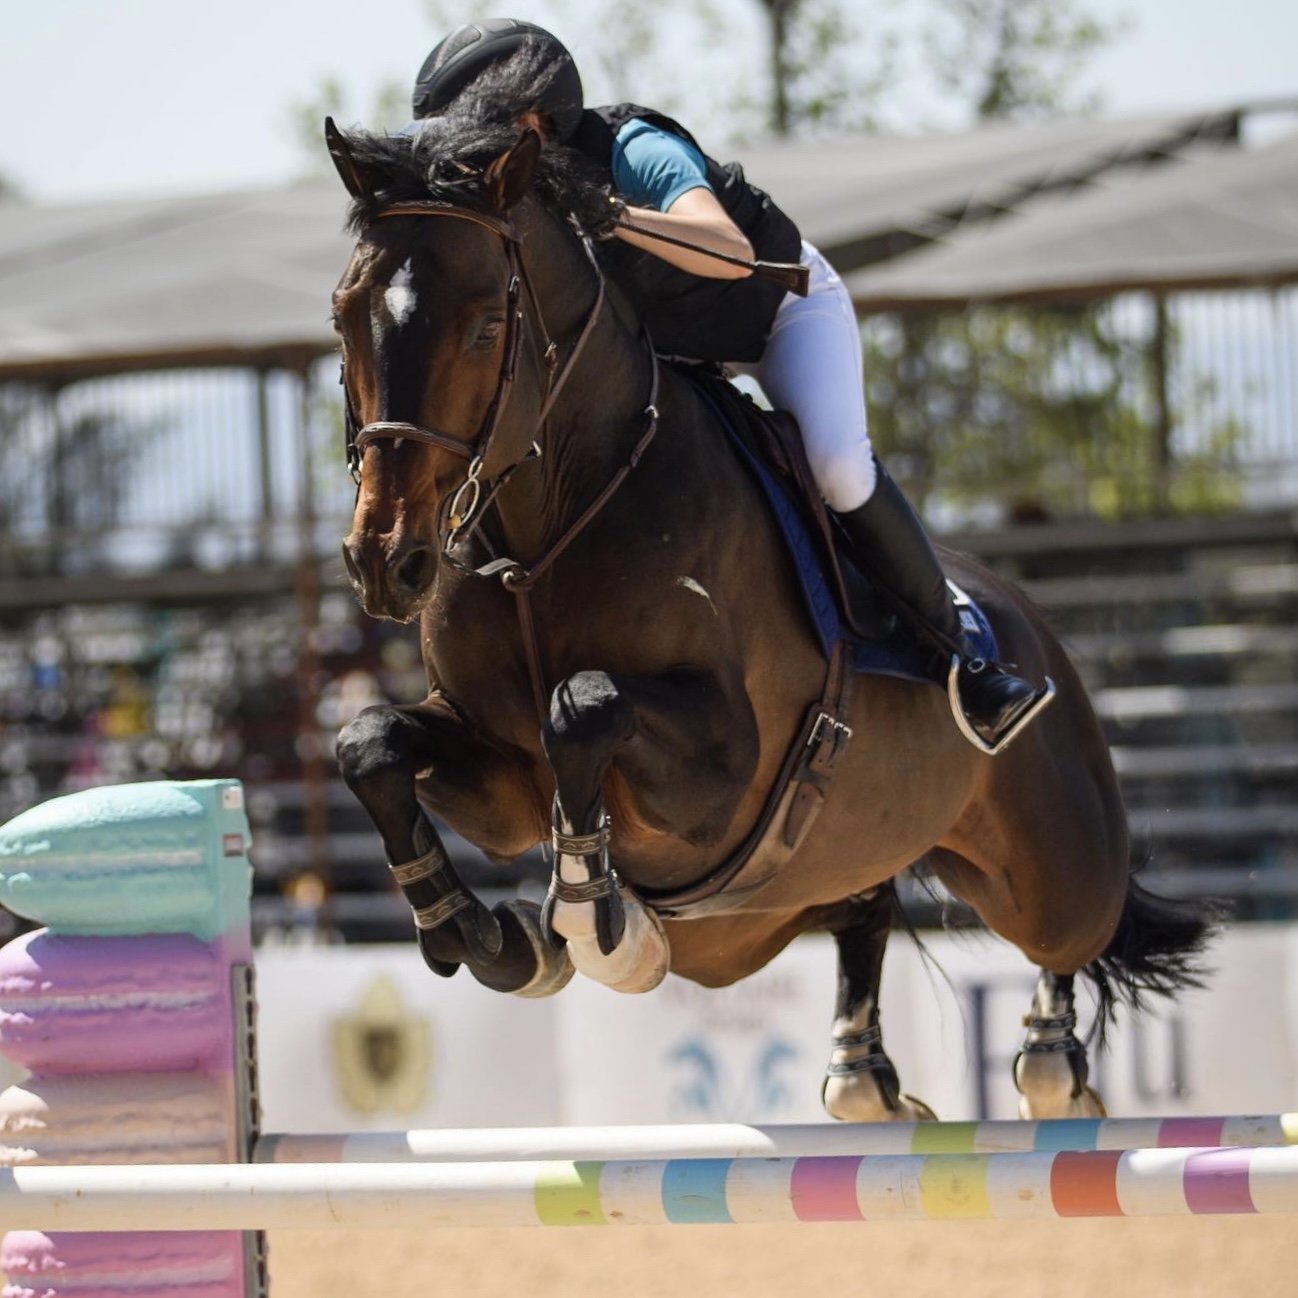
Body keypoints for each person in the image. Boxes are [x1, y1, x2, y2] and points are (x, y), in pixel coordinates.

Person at [408, 18, 1052, 753]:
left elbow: (729, 251)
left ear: (531, 121)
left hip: (776, 318)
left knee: (837, 466)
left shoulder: (633, 150)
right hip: (677, 354)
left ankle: (965, 655)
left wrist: (613, 216)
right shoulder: (514, 205)